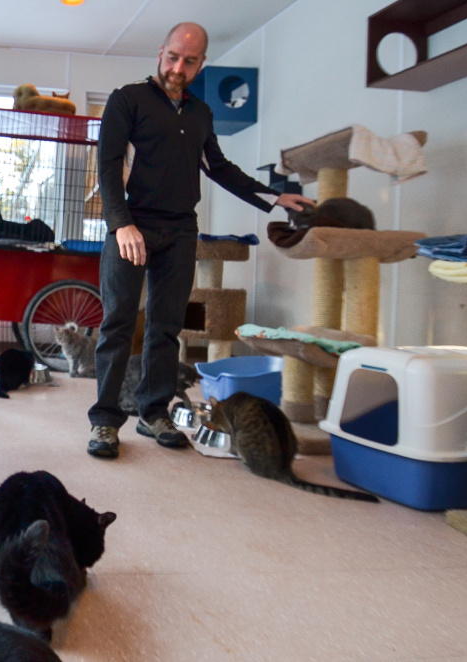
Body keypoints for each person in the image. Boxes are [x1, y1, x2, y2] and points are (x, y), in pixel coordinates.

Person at [87, 23, 314, 459]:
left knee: (167, 326)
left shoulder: (200, 114)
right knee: (118, 324)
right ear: (160, 52)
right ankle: (104, 421)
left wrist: (274, 196)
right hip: (131, 225)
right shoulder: (127, 100)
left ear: (201, 64)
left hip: (179, 229)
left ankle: (154, 414)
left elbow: (220, 168)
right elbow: (109, 166)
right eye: (173, 57)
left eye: (189, 61)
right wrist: (121, 225)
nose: (178, 68)